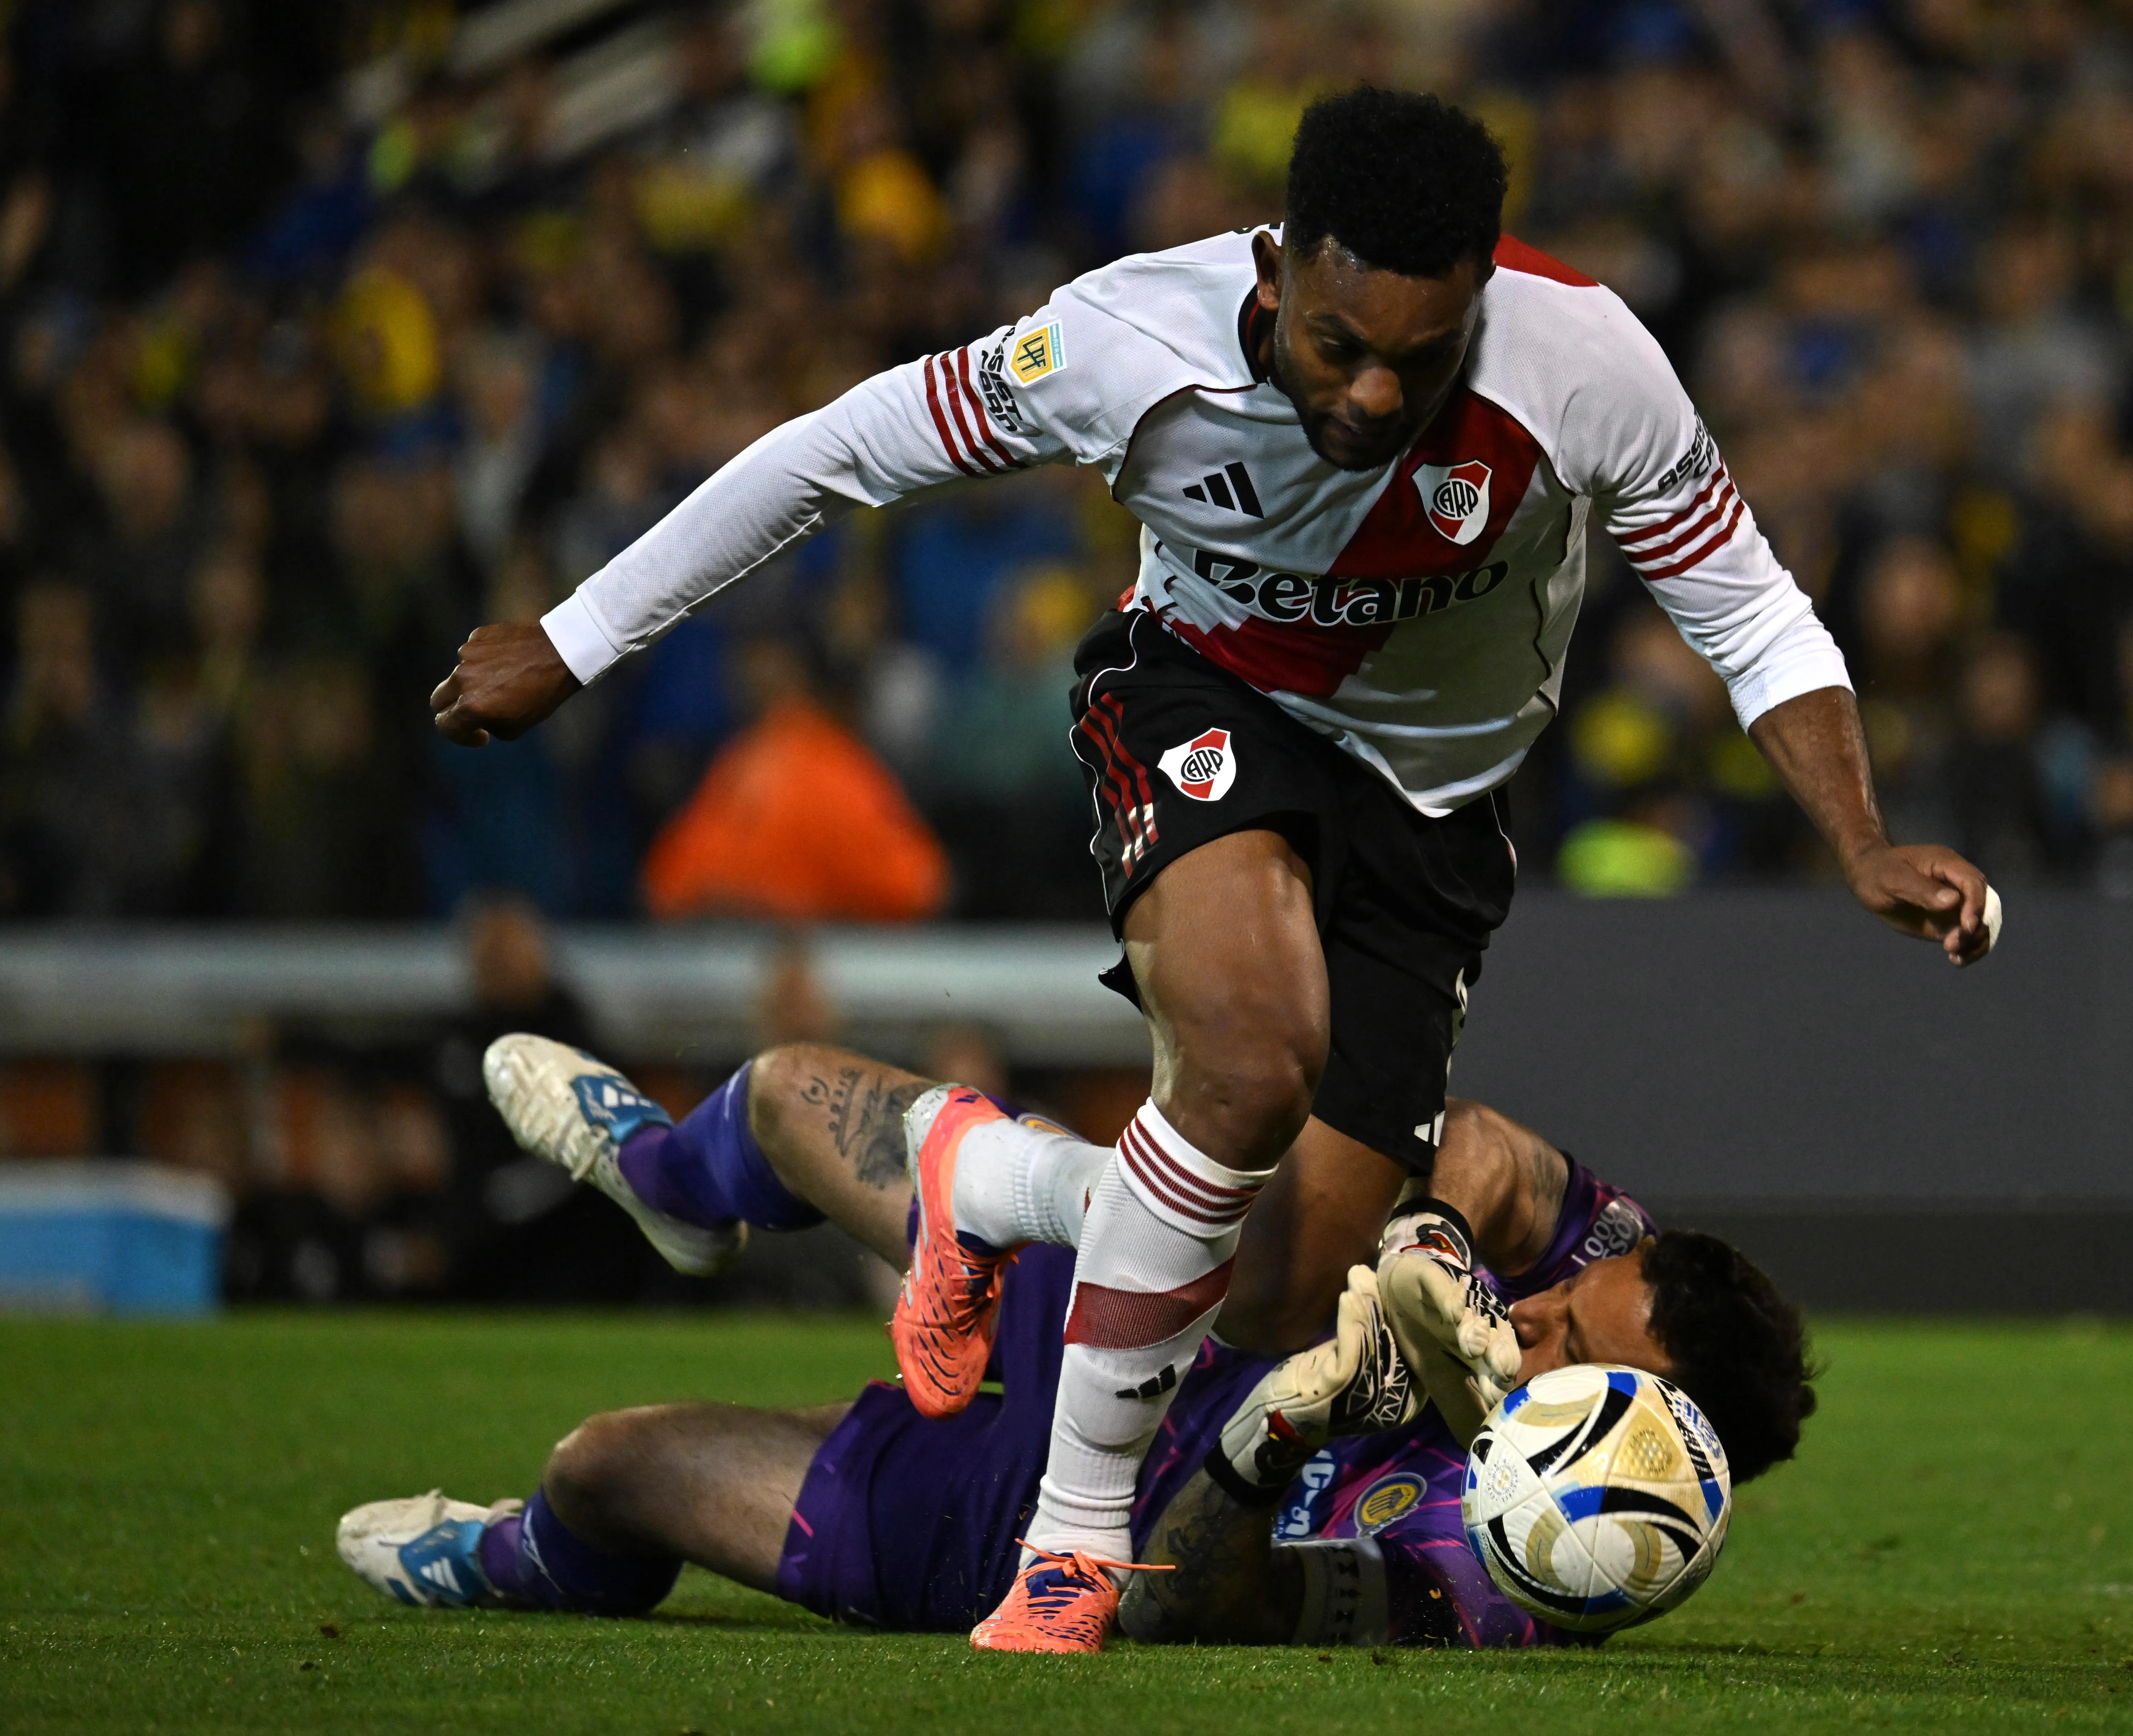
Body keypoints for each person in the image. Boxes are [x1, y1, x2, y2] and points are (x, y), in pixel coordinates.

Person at [427, 89, 1988, 1648]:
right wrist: (576, 637)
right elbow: (840, 453)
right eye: (1340, 348)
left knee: (1267, 1292)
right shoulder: (1125, 343)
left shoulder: (1580, 364)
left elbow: (1750, 608)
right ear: (1278, 270)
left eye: (1420, 361)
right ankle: (1072, 1547)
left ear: (1481, 308)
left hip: (1431, 812)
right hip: (1206, 695)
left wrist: (1857, 835)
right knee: (1247, 1061)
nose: (1378, 395)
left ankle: (988, 1192)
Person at [336, 1035, 1815, 1648]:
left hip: (1019, 1534)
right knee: (789, 1093)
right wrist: (1435, 1243)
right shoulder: (1601, 1267)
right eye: (1563, 1299)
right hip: (1127, 1307)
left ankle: (520, 1561)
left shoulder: (1507, 1576)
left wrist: (1277, 1430)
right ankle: (670, 1186)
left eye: (1571, 1348)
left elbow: (1189, 1615)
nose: (1540, 1308)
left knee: (604, 1468)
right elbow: (1479, 1145)